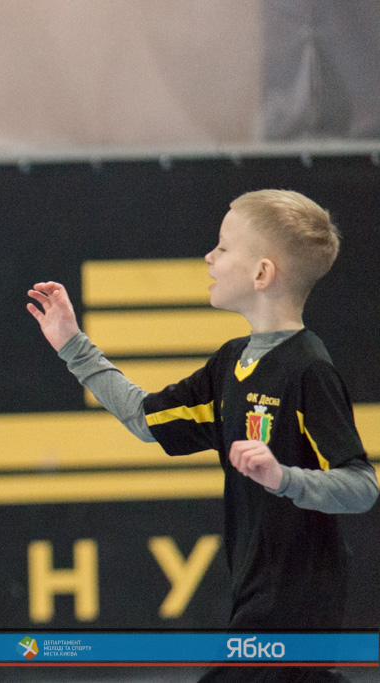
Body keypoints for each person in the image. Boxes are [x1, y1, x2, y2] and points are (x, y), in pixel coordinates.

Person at [27, 190, 377, 683]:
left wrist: (284, 478)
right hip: (253, 594)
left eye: (223, 247)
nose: (209, 257)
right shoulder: (230, 363)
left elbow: (361, 485)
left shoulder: (308, 370)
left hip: (297, 603)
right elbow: (145, 419)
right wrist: (72, 344)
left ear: (262, 274)